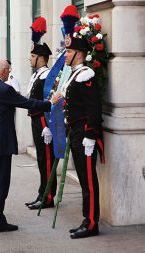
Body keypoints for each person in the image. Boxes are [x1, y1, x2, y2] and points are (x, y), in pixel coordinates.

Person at [0, 59, 62, 233]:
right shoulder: (4, 89)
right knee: (0, 183)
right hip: (1, 145)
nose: (9, 74)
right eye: (8, 71)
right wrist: (51, 103)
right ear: (4, 71)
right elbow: (27, 103)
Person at [62, 34, 103, 239]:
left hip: (84, 134)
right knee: (83, 181)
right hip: (76, 132)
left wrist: (91, 135)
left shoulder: (86, 74)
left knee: (89, 181)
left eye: (69, 52)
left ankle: (92, 223)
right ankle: (87, 219)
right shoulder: (75, 73)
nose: (66, 55)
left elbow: (93, 107)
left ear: (79, 54)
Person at [25, 17, 56, 210]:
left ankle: (48, 196)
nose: (29, 58)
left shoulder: (47, 75)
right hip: (36, 120)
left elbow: (50, 102)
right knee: (41, 160)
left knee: (46, 159)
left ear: (41, 58)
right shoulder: (37, 75)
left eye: (32, 56)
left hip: (44, 122)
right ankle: (42, 192)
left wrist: (49, 127)